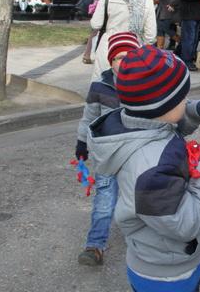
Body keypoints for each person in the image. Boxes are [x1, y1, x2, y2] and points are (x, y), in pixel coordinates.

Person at [87, 45, 200, 291]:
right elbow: (185, 224)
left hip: (167, 260)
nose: (186, 100)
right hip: (166, 278)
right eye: (183, 98)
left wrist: (196, 110)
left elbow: (162, 123)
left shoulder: (134, 124)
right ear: (163, 106)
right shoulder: (151, 168)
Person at [75, 32, 140, 266]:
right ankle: (95, 246)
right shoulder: (99, 87)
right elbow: (88, 118)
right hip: (107, 156)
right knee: (105, 200)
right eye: (119, 58)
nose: (124, 62)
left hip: (136, 155)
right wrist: (82, 142)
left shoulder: (144, 86)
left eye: (130, 57)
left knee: (140, 200)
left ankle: (146, 242)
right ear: (111, 61)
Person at [90, 0, 156, 79]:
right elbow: (150, 36)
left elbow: (96, 24)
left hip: (109, 46)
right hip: (134, 48)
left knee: (102, 84)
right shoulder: (147, 0)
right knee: (130, 86)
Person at [82, 0, 119, 65]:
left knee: (94, 31)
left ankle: (87, 54)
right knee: (107, 31)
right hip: (107, 5)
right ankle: (104, 55)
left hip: (96, 3)